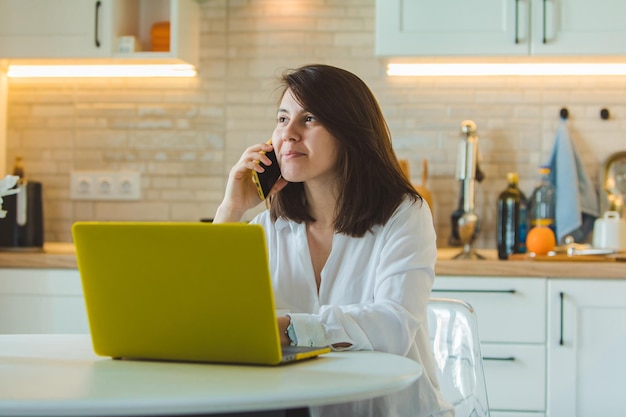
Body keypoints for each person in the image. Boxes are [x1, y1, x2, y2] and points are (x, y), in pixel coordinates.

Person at [214, 64, 453, 417]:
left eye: (308, 119)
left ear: (350, 133)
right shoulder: (268, 226)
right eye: (282, 120)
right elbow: (210, 312)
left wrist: (288, 329)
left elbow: (392, 326)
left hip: (384, 410)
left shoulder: (405, 215)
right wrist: (231, 207)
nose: (288, 134)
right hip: (290, 406)